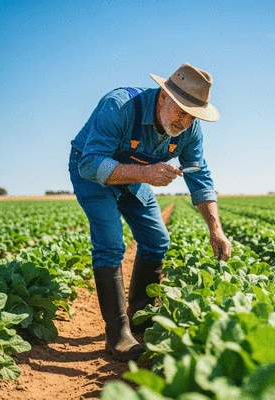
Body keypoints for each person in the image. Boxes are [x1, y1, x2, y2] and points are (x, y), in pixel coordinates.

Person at [68, 62, 232, 362]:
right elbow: (89, 164)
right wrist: (146, 174)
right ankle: (118, 336)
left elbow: (199, 174)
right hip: (91, 171)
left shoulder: (189, 130)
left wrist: (215, 228)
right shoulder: (119, 106)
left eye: (192, 115)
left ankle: (140, 316)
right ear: (163, 96)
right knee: (110, 243)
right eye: (180, 110)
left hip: (138, 173)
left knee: (158, 240)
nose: (184, 121)